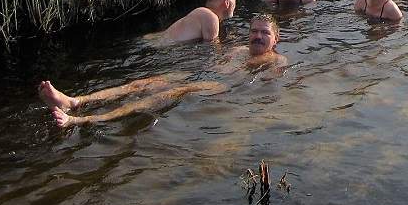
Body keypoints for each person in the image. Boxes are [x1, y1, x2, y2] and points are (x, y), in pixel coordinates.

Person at [40, 15, 287, 128]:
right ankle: (75, 100)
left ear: (276, 39)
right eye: (255, 31)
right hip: (203, 74)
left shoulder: (277, 61)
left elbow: (268, 91)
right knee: (140, 83)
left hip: (222, 86)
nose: (257, 36)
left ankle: (80, 120)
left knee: (170, 92)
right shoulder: (241, 49)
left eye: (264, 33)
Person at [150, 0, 236, 43]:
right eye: (235, 0)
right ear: (227, 3)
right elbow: (212, 50)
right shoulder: (210, 17)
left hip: (153, 41)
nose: (235, 4)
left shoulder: (201, 13)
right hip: (161, 47)